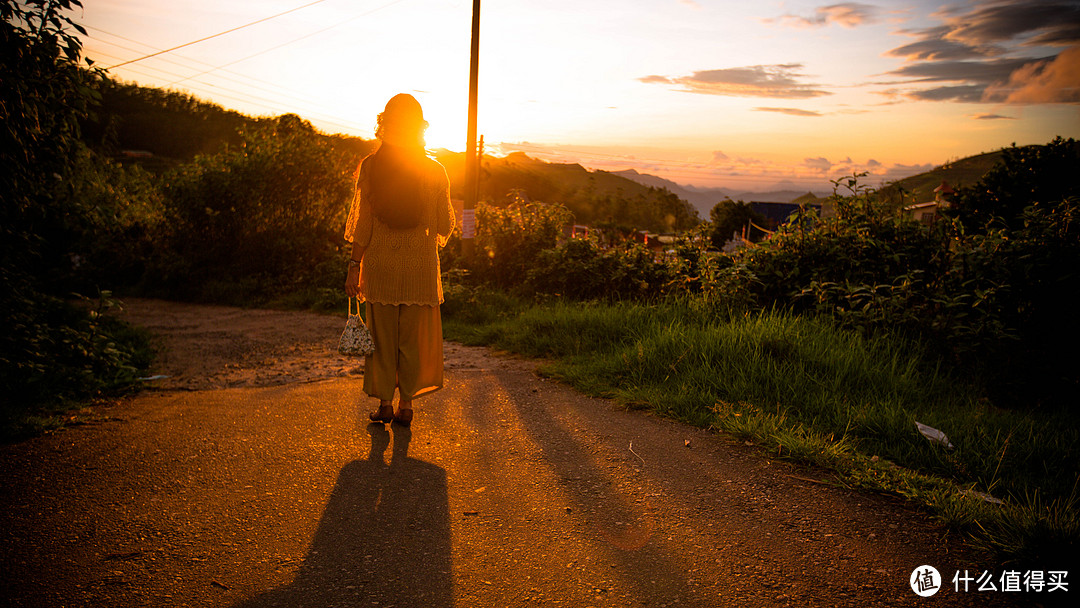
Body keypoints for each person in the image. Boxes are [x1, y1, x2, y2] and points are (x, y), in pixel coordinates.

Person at [344, 93, 455, 427]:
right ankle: (406, 405)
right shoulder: (435, 170)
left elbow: (362, 223)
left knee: (380, 343)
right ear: (419, 128)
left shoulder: (372, 166)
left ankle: (385, 405)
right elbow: (444, 225)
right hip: (420, 270)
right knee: (411, 343)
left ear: (386, 124)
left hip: (379, 268)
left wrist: (354, 266)